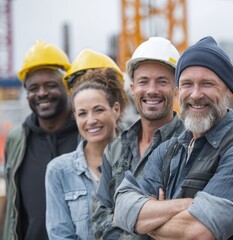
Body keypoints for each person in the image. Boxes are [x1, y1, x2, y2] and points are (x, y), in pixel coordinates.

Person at [113, 36, 233, 240]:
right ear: (179, 91)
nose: (195, 94)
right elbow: (123, 208)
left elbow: (196, 232)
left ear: (228, 89)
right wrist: (186, 206)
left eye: (207, 84)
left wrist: (150, 217)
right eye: (187, 84)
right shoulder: (168, 149)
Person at [92, 37, 185, 239]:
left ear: (176, 89)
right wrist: (150, 220)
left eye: (162, 81)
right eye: (143, 81)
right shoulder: (115, 149)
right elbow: (99, 220)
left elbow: (187, 222)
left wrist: (123, 216)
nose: (152, 90)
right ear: (133, 87)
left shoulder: (191, 146)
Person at [3, 40, 79, 240]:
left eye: (50, 85)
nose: (42, 93)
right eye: (34, 88)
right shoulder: (17, 139)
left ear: (67, 89)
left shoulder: (87, 136)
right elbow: (13, 208)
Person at [45, 67, 129, 239]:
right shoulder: (59, 171)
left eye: (98, 110)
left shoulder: (138, 160)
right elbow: (60, 235)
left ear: (116, 109)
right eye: (82, 113)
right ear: (75, 116)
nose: (91, 120)